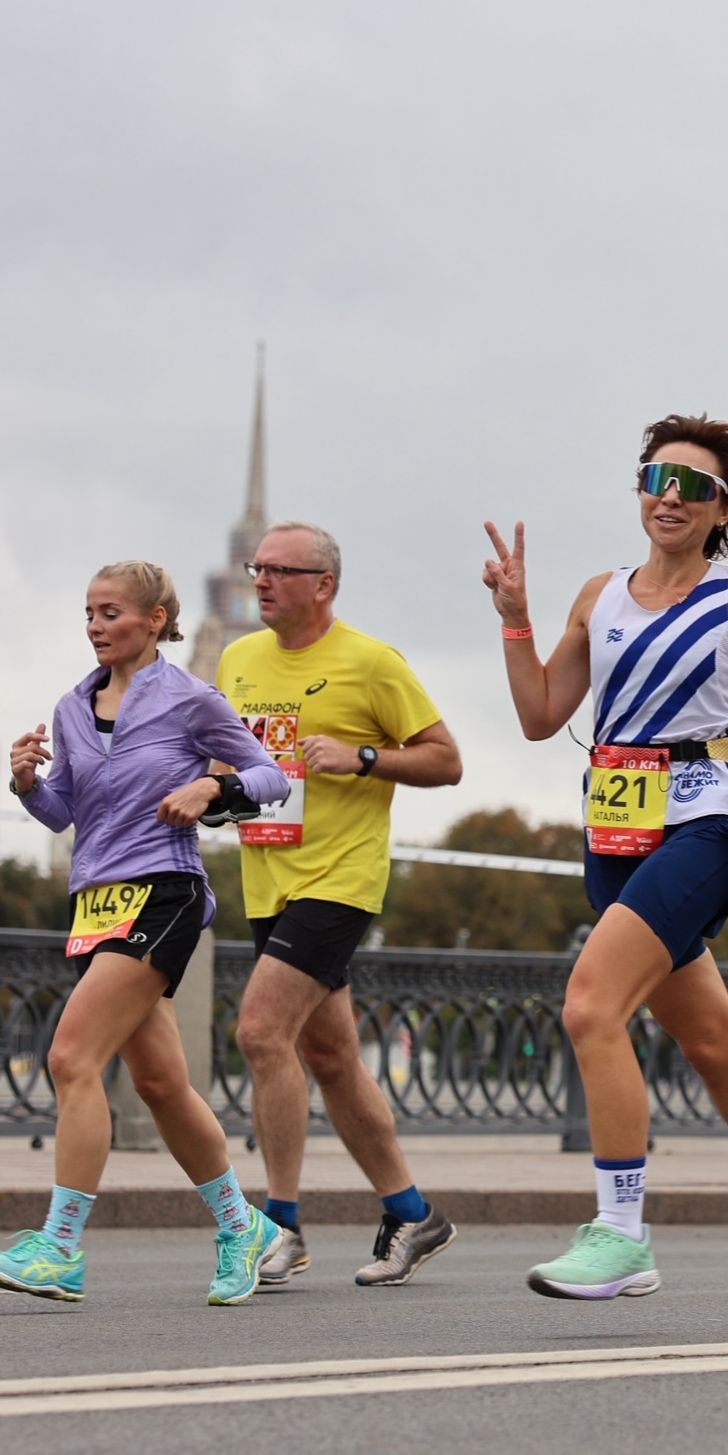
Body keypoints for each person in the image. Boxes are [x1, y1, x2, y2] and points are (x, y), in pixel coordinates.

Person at [481, 414, 728, 1309]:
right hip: (617, 837)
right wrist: (514, 621)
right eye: (658, 478)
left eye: (694, 486)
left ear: (722, 509)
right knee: (711, 1042)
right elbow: (541, 715)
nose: (671, 497)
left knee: (590, 1007)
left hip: (701, 827)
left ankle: (620, 1231)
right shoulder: (599, 595)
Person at [0, 562, 290, 1305]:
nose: (95, 626)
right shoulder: (72, 709)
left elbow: (272, 776)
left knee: (71, 1057)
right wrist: (26, 782)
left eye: (110, 612)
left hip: (164, 893)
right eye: (88, 613)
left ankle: (58, 1249)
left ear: (155, 620)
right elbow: (64, 813)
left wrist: (211, 785)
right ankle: (244, 1226)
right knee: (161, 1085)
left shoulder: (190, 699)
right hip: (96, 903)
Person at [217, 522, 466, 1287]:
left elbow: (446, 760)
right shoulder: (238, 659)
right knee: (330, 1057)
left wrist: (361, 757)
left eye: (279, 570)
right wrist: (213, 789)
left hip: (340, 878)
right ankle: (414, 1213)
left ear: (323, 584)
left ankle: (280, 1227)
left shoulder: (371, 662)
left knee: (261, 1032)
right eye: (257, 568)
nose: (261, 581)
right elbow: (229, 761)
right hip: (268, 876)